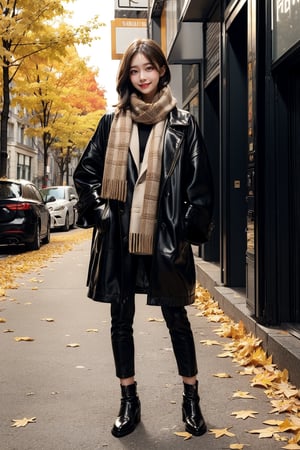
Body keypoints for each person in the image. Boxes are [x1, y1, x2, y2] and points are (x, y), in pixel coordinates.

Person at [73, 38, 213, 439]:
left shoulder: (183, 123)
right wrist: (102, 214)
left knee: (176, 317)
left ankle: (191, 399)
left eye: (148, 68)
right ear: (127, 76)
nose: (142, 77)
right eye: (134, 71)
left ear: (161, 70)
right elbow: (85, 175)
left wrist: (186, 229)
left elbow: (200, 186)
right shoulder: (111, 122)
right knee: (121, 319)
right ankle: (128, 399)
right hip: (120, 237)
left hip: (165, 237)